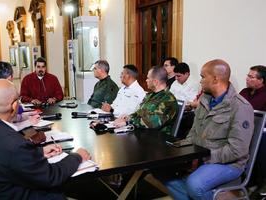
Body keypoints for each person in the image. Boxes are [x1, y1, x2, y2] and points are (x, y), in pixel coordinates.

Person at [0, 79, 91, 200]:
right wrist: (77, 156)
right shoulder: (14, 143)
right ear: (14, 105)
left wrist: (40, 152)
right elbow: (51, 176)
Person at [164, 59, 254, 200]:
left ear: (215, 79)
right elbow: (193, 133)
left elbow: (237, 150)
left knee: (194, 184)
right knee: (163, 171)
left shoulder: (240, 107)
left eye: (203, 77)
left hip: (229, 163)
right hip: (200, 155)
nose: (200, 81)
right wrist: (180, 149)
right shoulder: (205, 101)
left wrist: (205, 157)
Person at [114, 66, 177, 133]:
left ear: (155, 82)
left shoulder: (168, 100)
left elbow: (153, 122)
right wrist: (127, 117)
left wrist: (128, 122)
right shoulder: (149, 95)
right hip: (141, 133)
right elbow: (139, 112)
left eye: (148, 78)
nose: (146, 80)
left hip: (157, 138)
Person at [239, 65, 266, 199]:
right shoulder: (244, 92)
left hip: (260, 132)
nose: (247, 79)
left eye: (251, 77)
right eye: (248, 75)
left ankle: (260, 183)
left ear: (262, 80)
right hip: (242, 130)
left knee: (261, 142)